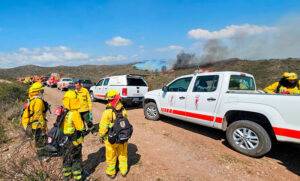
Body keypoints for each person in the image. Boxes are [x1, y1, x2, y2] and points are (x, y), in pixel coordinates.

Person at [99, 90, 128, 178]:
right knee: (123, 154)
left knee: (111, 155)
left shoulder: (107, 112)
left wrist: (101, 136)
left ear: (109, 100)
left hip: (111, 139)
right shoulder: (123, 110)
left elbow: (103, 127)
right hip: (122, 137)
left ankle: (111, 173)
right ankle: (124, 171)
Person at [60, 90, 85, 181]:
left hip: (63, 140)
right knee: (76, 158)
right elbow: (80, 127)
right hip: (74, 140)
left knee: (66, 157)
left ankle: (67, 176)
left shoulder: (64, 111)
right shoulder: (75, 113)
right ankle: (78, 177)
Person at [22, 82, 48, 160]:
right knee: (39, 140)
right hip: (37, 124)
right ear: (38, 91)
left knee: (38, 139)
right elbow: (38, 114)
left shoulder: (32, 99)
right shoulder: (38, 101)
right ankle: (41, 156)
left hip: (32, 124)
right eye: (41, 91)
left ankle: (42, 153)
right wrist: (43, 124)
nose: (42, 92)